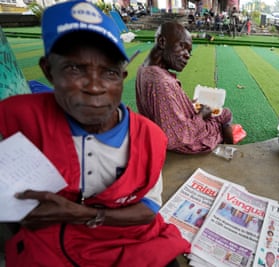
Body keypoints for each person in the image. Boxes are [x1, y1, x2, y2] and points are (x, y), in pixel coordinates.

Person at [0, 1, 190, 266]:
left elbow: (148, 210)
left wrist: (81, 214)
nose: (94, 87)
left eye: (109, 72)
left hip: (131, 241)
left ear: (122, 77)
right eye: (74, 68)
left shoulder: (150, 138)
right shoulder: (15, 120)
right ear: (48, 71)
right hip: (53, 245)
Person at [136, 22, 234, 154]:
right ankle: (230, 152)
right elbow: (176, 137)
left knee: (217, 111)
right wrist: (202, 115)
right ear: (162, 42)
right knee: (225, 114)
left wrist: (189, 105)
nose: (187, 55)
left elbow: (165, 108)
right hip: (187, 144)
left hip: (160, 131)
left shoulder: (144, 69)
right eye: (182, 46)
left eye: (189, 51)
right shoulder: (162, 82)